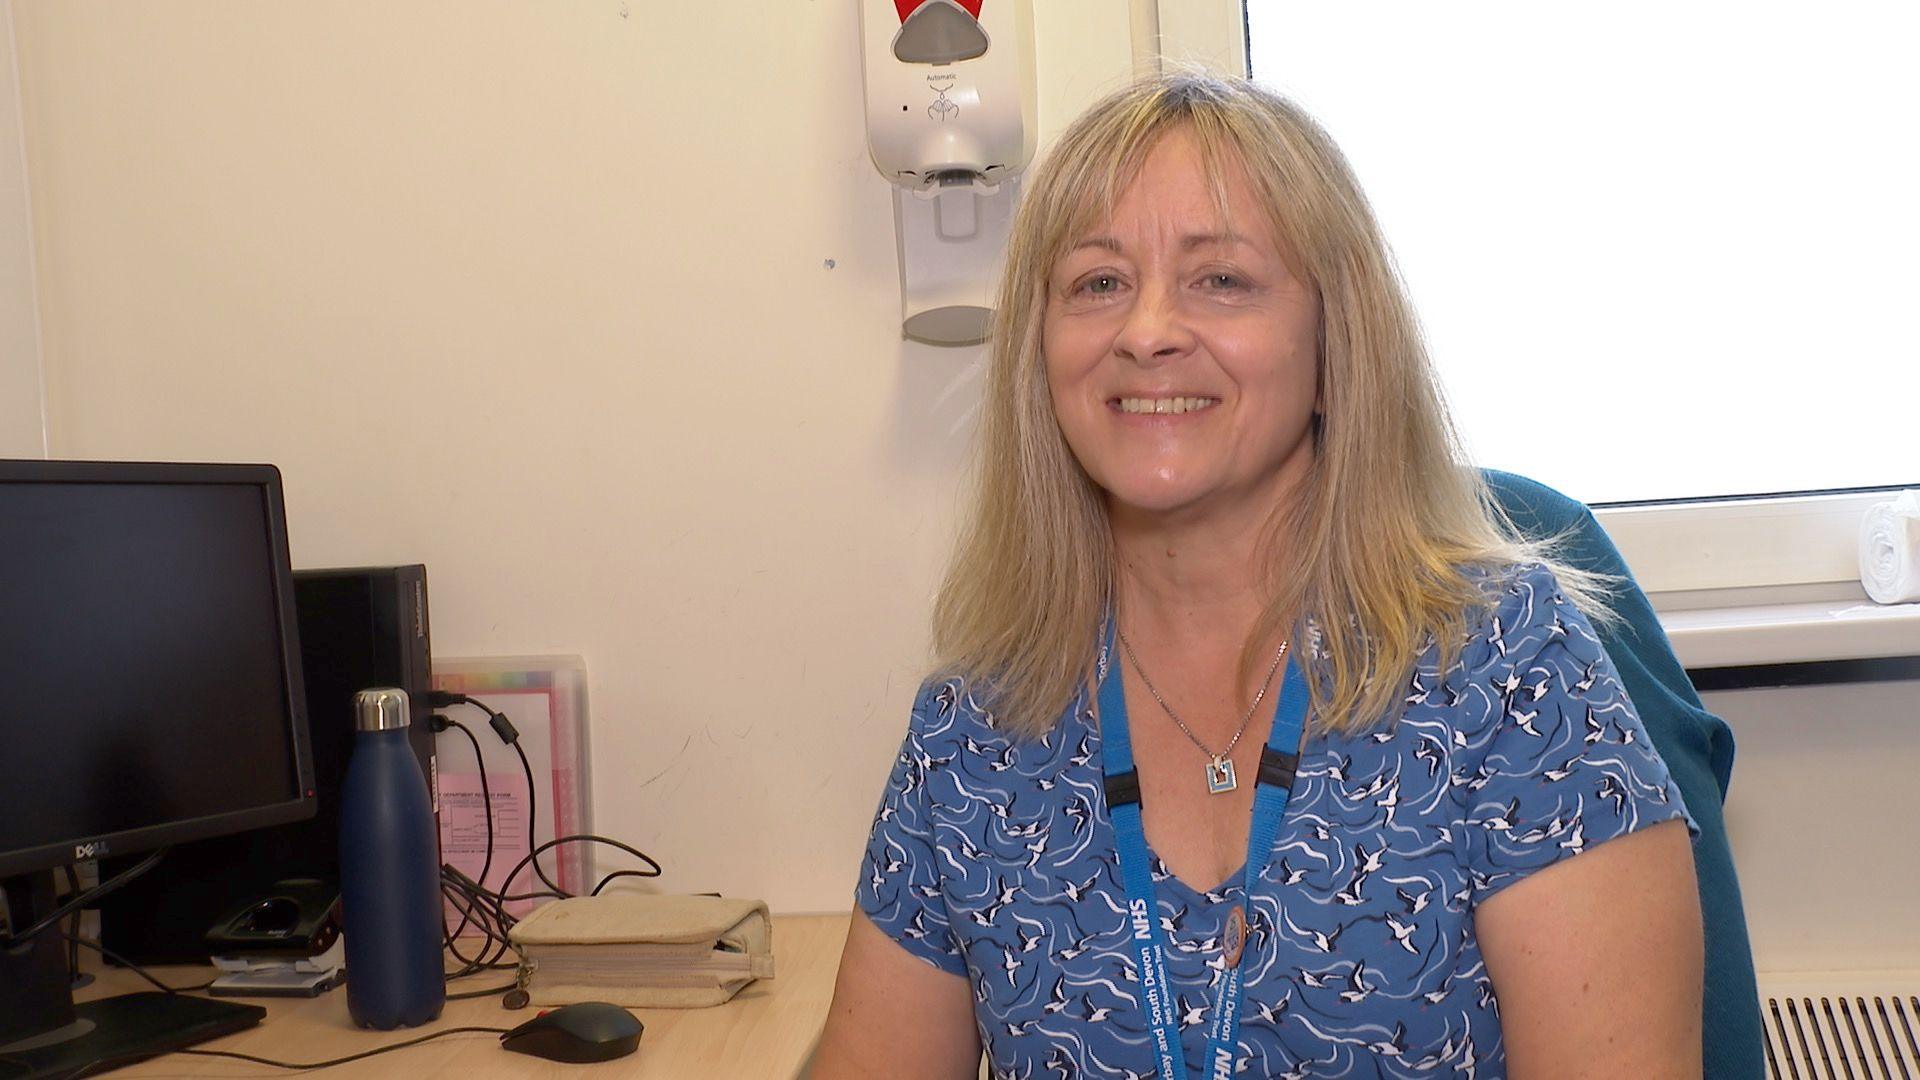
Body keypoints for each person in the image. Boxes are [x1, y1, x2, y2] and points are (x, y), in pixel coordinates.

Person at [812, 72, 1702, 1079]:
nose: (1146, 330)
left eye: (1220, 280)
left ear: (1333, 346)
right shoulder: (974, 732)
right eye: (1098, 283)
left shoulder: (1505, 674)